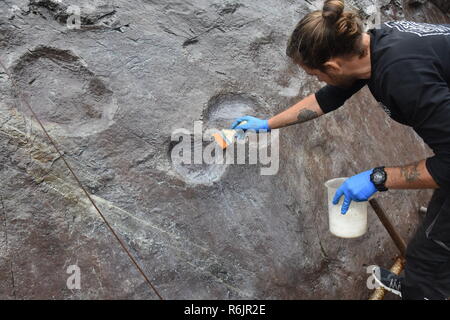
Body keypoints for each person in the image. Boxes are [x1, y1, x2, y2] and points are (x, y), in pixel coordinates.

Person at [231, 0, 450, 300]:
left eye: (317, 74)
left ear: (332, 66)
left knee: (430, 261)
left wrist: (378, 178)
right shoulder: (375, 45)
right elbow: (329, 97)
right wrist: (268, 124)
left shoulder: (403, 76)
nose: (319, 80)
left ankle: (423, 289)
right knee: (433, 236)